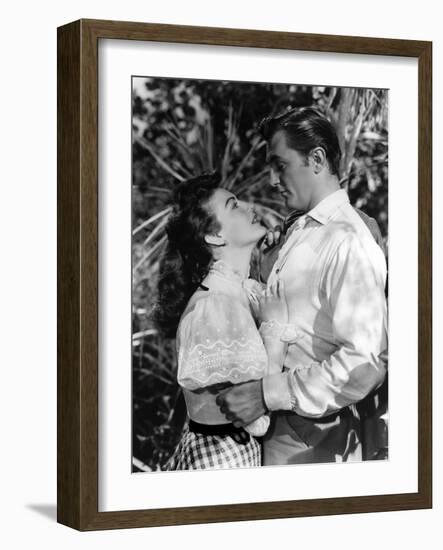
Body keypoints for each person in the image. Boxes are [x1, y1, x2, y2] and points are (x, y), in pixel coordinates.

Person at [216, 107, 388, 465]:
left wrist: (268, 393)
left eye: (280, 165)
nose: (272, 179)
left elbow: (366, 361)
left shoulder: (347, 241)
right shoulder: (296, 231)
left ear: (317, 159)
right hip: (275, 428)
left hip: (315, 439)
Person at [154, 173, 296, 470]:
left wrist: (267, 268)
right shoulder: (215, 306)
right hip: (221, 461)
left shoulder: (233, 291)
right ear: (214, 236)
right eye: (233, 205)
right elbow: (256, 419)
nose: (248, 206)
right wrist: (273, 330)